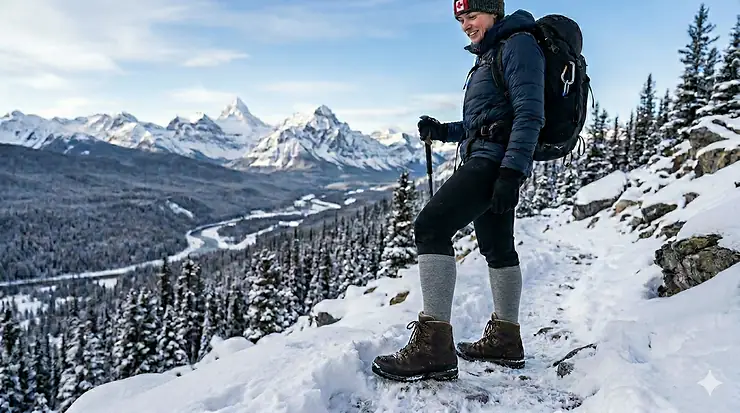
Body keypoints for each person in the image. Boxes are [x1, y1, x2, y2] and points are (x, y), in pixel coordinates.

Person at [371, 0, 545, 382]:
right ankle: (506, 339)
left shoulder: (518, 45)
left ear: (494, 12)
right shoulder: (492, 52)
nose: (466, 25)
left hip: (493, 163)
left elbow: (530, 112)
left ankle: (434, 346)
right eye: (460, 19)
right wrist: (444, 131)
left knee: (431, 227)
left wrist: (511, 173)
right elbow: (485, 122)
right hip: (491, 158)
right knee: (497, 248)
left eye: (472, 15)